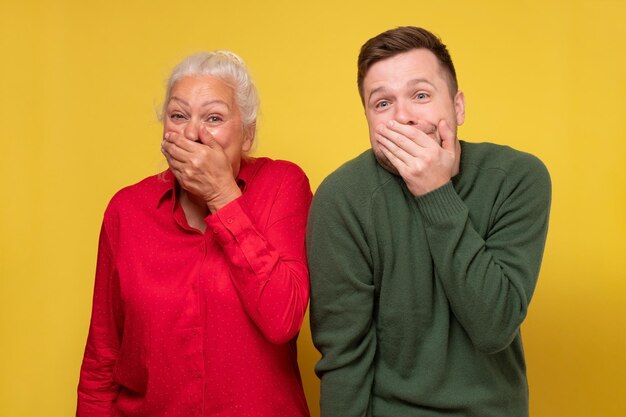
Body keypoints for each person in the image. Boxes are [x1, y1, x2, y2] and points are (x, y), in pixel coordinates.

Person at [306, 26, 551, 417]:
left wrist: (435, 191)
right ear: (367, 118)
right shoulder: (341, 198)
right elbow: (343, 355)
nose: (403, 116)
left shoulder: (518, 178)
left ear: (458, 107)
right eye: (382, 103)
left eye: (420, 95)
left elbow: (494, 327)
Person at [77, 51, 312, 417]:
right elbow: (102, 358)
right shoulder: (126, 210)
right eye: (178, 115)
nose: (192, 132)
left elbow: (283, 319)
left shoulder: (284, 186)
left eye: (214, 117)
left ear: (247, 135)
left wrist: (222, 196)